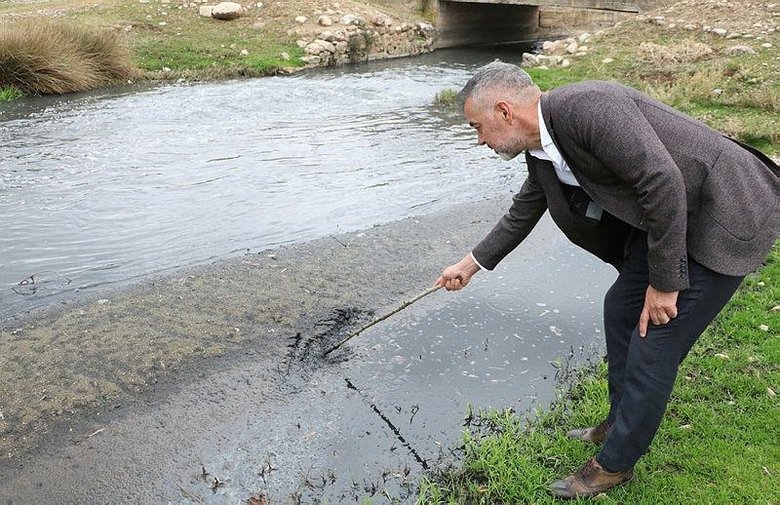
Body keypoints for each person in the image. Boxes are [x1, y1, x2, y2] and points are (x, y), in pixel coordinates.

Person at [435, 61, 779, 499]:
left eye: (476, 127)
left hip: (726, 208)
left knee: (656, 337)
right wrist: (470, 264)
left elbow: (661, 180)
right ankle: (620, 421)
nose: (480, 140)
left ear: (504, 111)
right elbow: (525, 209)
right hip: (677, 218)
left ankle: (614, 464)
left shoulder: (588, 108)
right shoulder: (543, 148)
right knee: (621, 309)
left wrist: (666, 282)